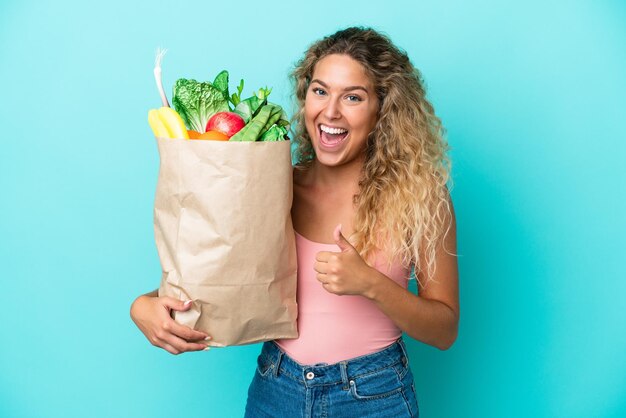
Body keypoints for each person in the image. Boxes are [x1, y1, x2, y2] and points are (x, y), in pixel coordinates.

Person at [130, 26, 459, 417]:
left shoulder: (421, 199)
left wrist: (372, 284)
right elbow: (213, 276)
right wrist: (143, 307)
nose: (330, 111)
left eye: (352, 97)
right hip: (277, 388)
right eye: (320, 91)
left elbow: (444, 330)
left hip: (374, 396)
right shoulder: (273, 186)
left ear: (383, 110)